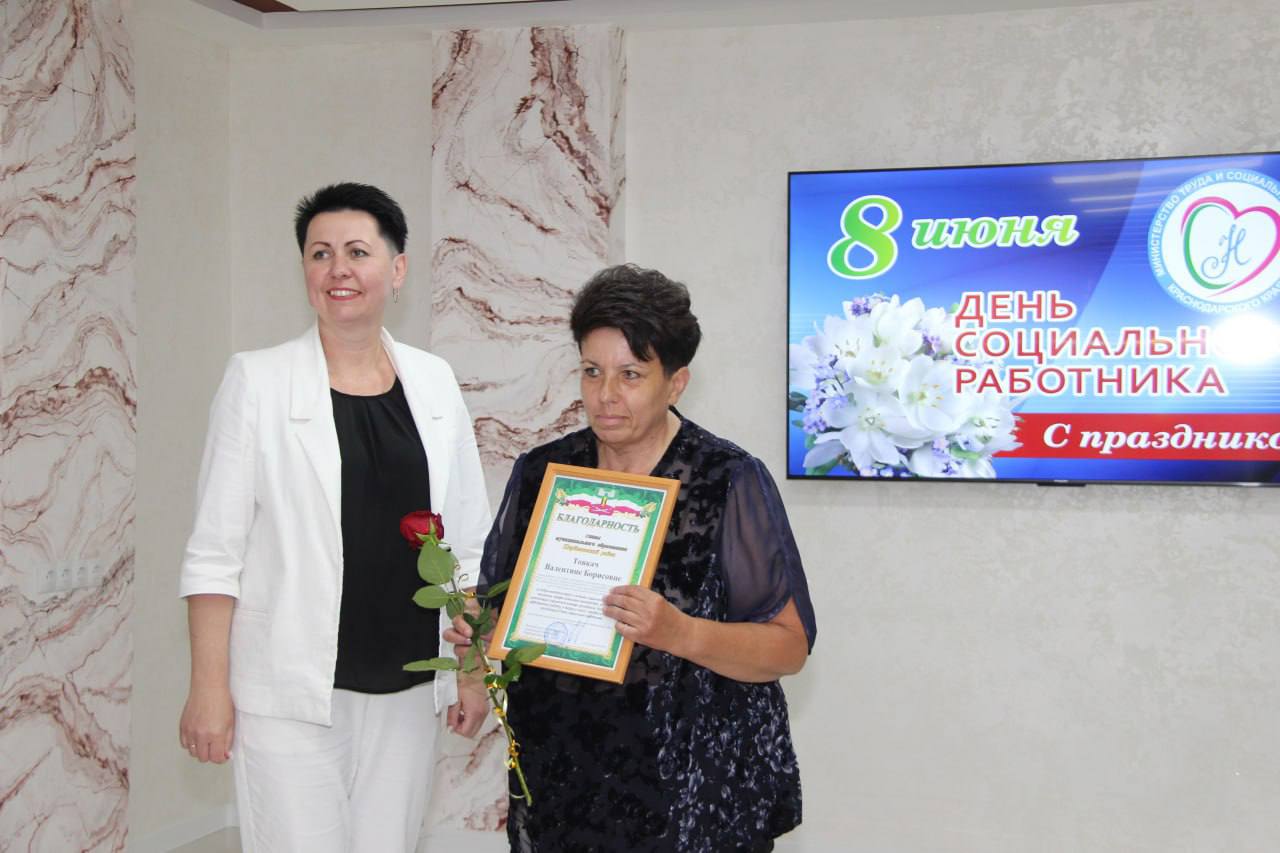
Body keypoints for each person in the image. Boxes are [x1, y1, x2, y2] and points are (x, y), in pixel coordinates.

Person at [449, 264, 817, 852]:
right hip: (563, 774)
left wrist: (680, 632)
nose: (606, 395)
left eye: (631, 375)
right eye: (591, 371)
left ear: (676, 383)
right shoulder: (544, 472)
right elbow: (498, 605)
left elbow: (788, 648)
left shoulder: (726, 479)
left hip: (691, 787)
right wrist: (476, 644)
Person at [177, 182, 491, 852]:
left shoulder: (434, 382)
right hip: (289, 692)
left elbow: (467, 541)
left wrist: (471, 669)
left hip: (411, 684)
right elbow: (214, 553)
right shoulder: (257, 382)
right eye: (320, 254)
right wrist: (208, 687)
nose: (337, 269)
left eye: (357, 252)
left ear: (397, 269)